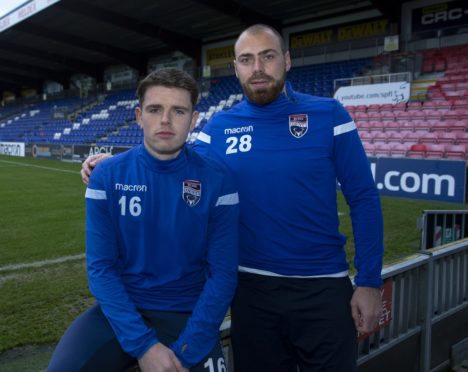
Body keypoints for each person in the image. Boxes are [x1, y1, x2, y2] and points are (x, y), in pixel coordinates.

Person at [82, 25, 384, 372]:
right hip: (250, 294)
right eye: (246, 59)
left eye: (267, 56)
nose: (258, 67)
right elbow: (168, 154)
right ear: (236, 68)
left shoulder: (330, 115)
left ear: (286, 60)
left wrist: (370, 282)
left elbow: (362, 198)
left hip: (322, 287)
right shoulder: (219, 128)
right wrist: (112, 163)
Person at [50, 68, 239, 372]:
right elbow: (101, 270)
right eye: (155, 109)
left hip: (189, 313)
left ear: (193, 120)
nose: (165, 120)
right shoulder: (107, 177)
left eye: (178, 111)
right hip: (119, 311)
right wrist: (144, 346)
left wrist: (186, 352)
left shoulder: (217, 181)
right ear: (139, 116)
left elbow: (223, 275)